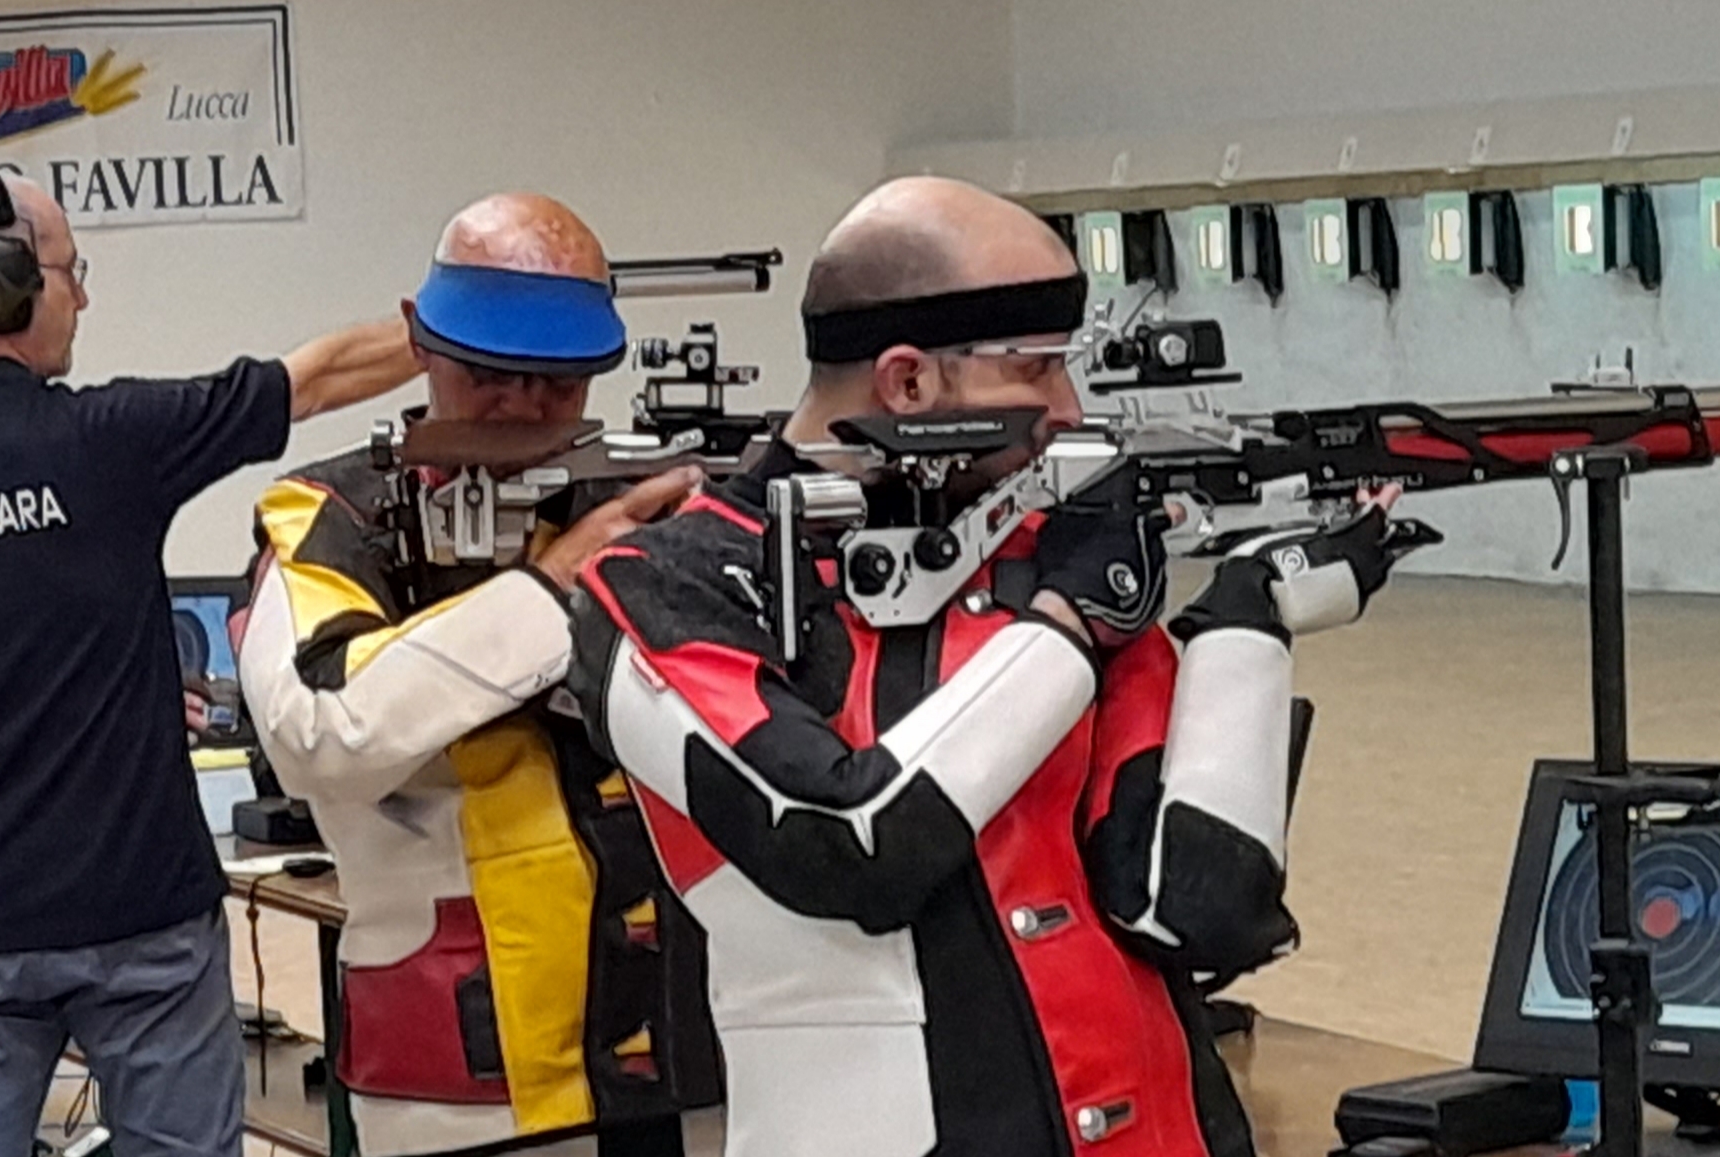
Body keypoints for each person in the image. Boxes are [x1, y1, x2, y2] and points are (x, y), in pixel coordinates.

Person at [568, 176, 1427, 1157]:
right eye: (1035, 369)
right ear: (906, 383)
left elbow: (1199, 906)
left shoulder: (1039, 555)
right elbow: (846, 841)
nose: (1068, 409)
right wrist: (1065, 628)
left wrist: (1245, 621)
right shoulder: (659, 590)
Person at [0, 160, 422, 1157]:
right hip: (142, 918)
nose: (83, 296)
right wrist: (461, 333)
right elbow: (314, 378)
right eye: (71, 271)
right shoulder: (107, 440)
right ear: (4, 282)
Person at [238, 193, 720, 1157]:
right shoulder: (331, 515)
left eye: (559, 382)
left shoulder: (636, 497)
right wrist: (551, 588)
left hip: (686, 1052)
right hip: (465, 1073)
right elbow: (324, 730)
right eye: (491, 374)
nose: (524, 406)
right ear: (419, 341)